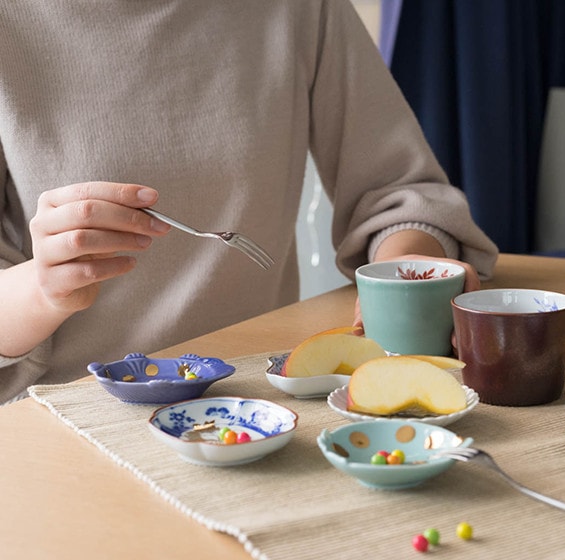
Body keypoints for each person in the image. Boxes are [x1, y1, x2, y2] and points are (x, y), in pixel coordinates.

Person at [0, 1, 498, 404]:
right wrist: (44, 289)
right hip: (64, 414)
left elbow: (398, 190)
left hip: (256, 406)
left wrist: (401, 266)